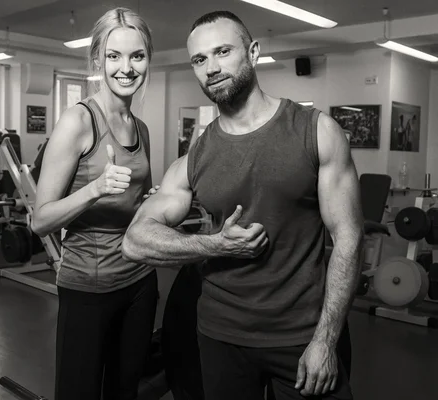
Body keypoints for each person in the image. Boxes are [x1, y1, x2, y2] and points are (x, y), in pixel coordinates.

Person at [122, 10, 364, 400]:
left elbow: (349, 238)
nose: (211, 68)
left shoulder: (316, 132)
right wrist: (215, 245)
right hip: (221, 338)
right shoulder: (196, 157)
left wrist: (326, 341)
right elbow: (135, 241)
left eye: (222, 52)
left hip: (303, 336)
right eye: (200, 60)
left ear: (252, 52)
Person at [30, 7, 159, 400]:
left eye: (137, 56)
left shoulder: (141, 128)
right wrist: (94, 189)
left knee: (125, 390)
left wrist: (152, 203)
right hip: (88, 286)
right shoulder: (78, 121)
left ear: (148, 59)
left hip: (139, 282)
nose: (126, 67)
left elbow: (137, 207)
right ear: (97, 60)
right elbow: (40, 221)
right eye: (114, 56)